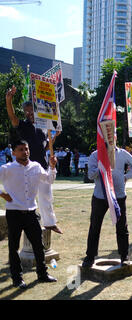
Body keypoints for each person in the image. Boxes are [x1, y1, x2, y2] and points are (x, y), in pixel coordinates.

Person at [0, 140, 58, 289]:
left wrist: (52, 167)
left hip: (31, 213)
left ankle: (42, 274)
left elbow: (49, 180)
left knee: (39, 246)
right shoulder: (7, 169)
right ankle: (17, 278)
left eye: (26, 149)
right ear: (13, 152)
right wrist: (2, 194)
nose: (25, 152)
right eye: (20, 149)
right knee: (14, 247)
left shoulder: (36, 167)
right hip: (14, 213)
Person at [5, 85, 62, 234]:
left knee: (46, 196)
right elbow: (12, 117)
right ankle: (29, 220)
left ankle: (50, 223)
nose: (30, 113)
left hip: (41, 166)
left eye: (32, 110)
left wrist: (54, 137)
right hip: (27, 167)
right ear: (24, 113)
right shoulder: (22, 125)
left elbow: (44, 147)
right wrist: (9, 100)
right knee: (26, 195)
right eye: (27, 111)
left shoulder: (44, 127)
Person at [81, 146, 132, 267]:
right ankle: (90, 256)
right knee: (95, 226)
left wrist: (126, 176)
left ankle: (124, 256)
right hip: (100, 196)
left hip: (118, 195)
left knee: (122, 227)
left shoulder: (122, 153)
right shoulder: (95, 155)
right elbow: (91, 175)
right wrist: (102, 167)